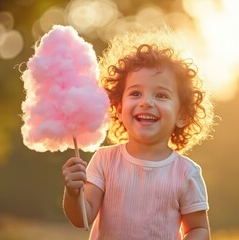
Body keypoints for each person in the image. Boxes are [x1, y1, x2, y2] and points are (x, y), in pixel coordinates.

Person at [62, 26, 214, 240]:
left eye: (161, 95)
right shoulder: (105, 161)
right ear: (118, 107)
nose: (146, 102)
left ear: (182, 114)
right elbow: (82, 219)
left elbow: (198, 229)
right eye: (135, 93)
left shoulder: (186, 173)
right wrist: (72, 192)